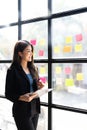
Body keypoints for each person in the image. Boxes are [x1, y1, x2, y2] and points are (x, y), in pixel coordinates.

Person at [5, 40, 44, 130]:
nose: (31, 53)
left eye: (31, 51)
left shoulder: (34, 69)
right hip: (21, 111)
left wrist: (40, 86)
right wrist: (21, 97)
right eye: (28, 51)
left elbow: (36, 87)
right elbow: (8, 93)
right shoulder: (12, 71)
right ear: (20, 53)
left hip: (35, 109)